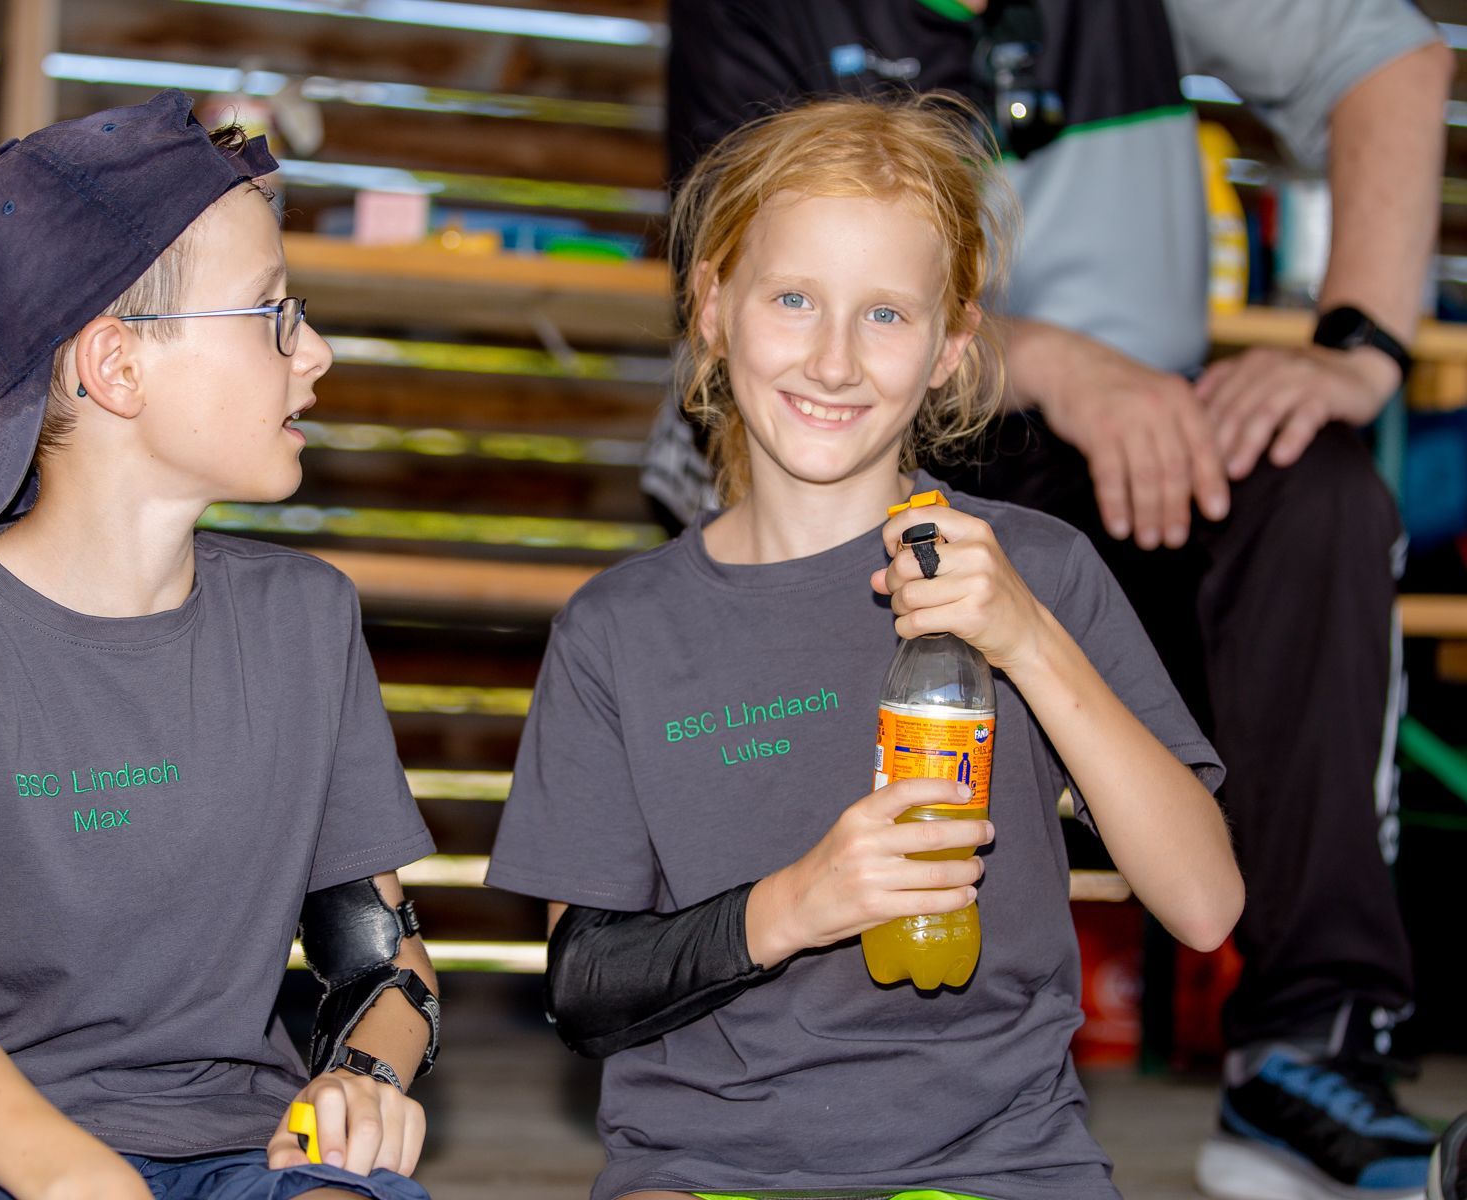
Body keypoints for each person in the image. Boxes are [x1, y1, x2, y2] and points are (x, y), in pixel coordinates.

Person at [643, 4, 1455, 1197]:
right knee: (829, 496)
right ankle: (806, 1072)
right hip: (865, 438)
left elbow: (1394, 52)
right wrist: (1057, 364)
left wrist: (1360, 346)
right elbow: (773, 290)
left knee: (1320, 494)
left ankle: (1309, 1051)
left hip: (1136, 457)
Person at [488, 94, 1244, 1200]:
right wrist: (800, 901)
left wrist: (1029, 642)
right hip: (704, 1169)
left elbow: (1205, 904)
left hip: (998, 1164)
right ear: (713, 306)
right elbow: (587, 987)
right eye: (793, 299)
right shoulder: (619, 627)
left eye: (886, 314)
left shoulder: (1035, 567)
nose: (834, 361)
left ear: (951, 346)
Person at [0, 91, 440, 1200]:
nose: (317, 351)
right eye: (273, 313)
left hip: (244, 1144)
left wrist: (362, 1077)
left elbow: (379, 958)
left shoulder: (306, 622)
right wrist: (76, 1178)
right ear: (117, 367)